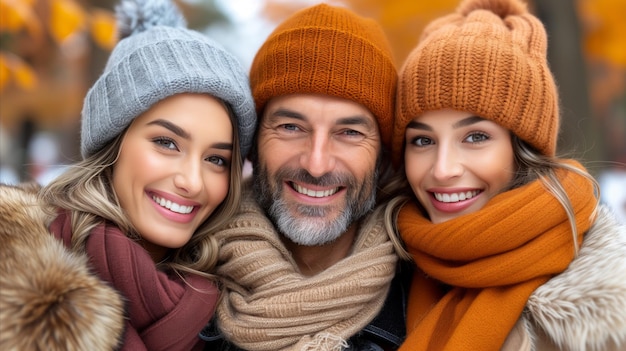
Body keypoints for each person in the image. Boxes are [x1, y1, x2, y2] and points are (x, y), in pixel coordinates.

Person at [0, 0, 256, 349]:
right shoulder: (11, 263)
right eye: (167, 143)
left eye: (216, 160)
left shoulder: (239, 309)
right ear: (113, 144)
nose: (193, 182)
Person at [386, 0, 626, 350]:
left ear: (522, 149)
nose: (443, 169)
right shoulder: (381, 275)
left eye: (476, 137)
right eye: (422, 140)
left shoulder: (601, 311)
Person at [200, 4, 411, 351]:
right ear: (252, 143)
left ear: (382, 157)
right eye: (291, 127)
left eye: (349, 132)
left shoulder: (428, 298)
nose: (316, 164)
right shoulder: (185, 278)